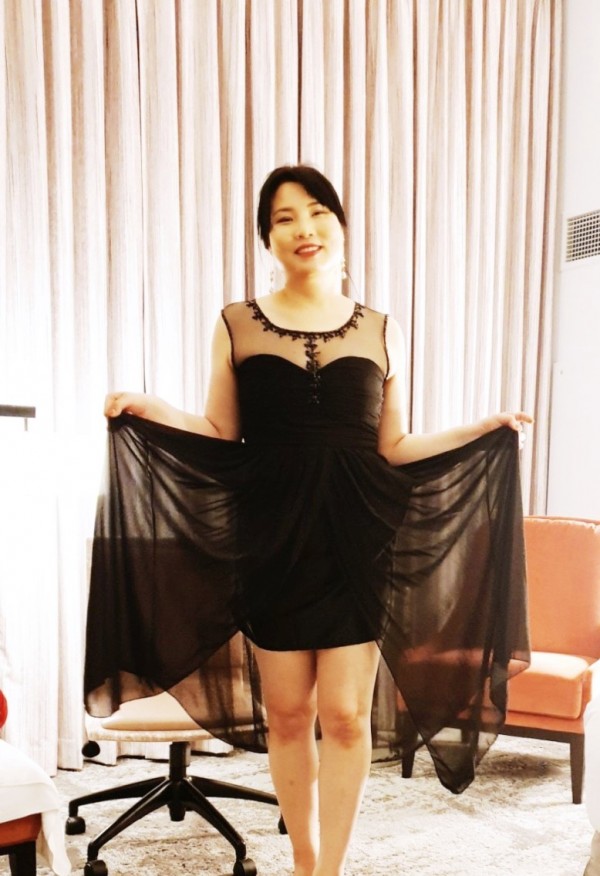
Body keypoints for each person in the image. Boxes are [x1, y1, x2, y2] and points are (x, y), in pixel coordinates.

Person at [94, 165, 532, 876]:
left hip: (356, 539)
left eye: (318, 211)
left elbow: (395, 446)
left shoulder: (382, 328)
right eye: (284, 218)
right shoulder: (237, 322)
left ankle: (329, 871)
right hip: (270, 537)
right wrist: (152, 408)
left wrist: (480, 428)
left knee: (347, 716)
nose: (304, 228)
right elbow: (220, 430)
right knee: (291, 715)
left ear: (340, 226)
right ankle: (303, 860)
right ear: (266, 239)